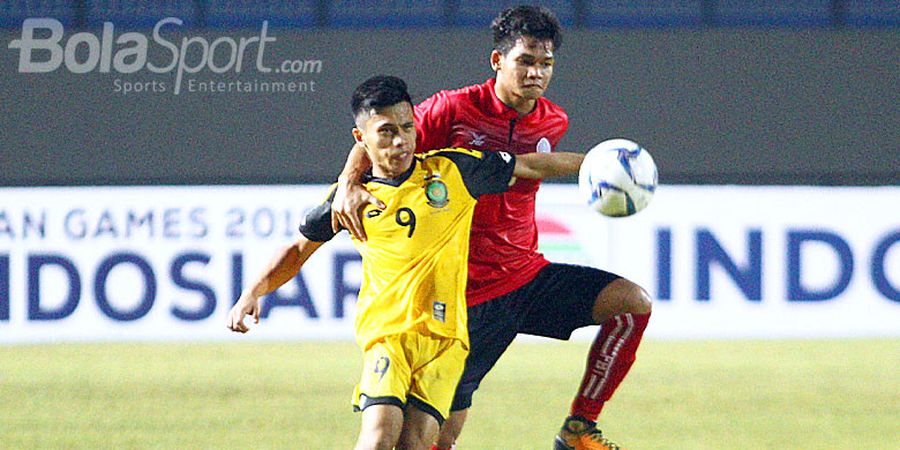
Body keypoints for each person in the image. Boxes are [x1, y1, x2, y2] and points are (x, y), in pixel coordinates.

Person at [330, 7, 652, 450]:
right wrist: (348, 182)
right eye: (525, 61)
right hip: (467, 297)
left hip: (526, 276)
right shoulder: (453, 109)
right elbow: (380, 136)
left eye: (546, 63)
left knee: (632, 304)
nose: (536, 73)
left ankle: (579, 429)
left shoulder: (553, 121)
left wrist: (610, 168)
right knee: (432, 441)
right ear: (498, 61)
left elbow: (538, 164)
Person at [228, 75, 582, 450]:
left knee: (414, 444)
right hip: (389, 337)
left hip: (446, 342)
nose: (401, 141)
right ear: (360, 139)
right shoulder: (351, 199)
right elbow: (299, 250)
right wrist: (252, 291)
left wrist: (595, 165)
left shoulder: (455, 171)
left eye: (408, 127)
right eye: (385, 132)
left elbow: (531, 165)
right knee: (379, 436)